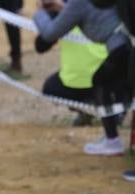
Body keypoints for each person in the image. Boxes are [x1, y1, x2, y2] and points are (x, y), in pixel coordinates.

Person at [35, 0, 132, 155]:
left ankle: (112, 139)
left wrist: (39, 13)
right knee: (104, 81)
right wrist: (63, 8)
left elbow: (48, 34)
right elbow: (88, 11)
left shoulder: (78, 3)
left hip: (120, 47)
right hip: (124, 46)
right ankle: (114, 125)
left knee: (101, 81)